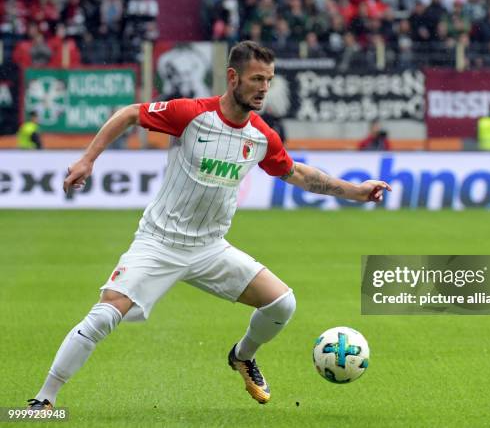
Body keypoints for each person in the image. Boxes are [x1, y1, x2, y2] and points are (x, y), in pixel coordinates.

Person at [27, 41, 391, 409]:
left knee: (282, 304)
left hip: (210, 247)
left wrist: (356, 192)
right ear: (232, 77)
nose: (265, 88)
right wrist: (88, 159)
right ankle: (44, 400)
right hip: (159, 242)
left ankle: (242, 356)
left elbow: (295, 172)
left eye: (269, 79)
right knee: (105, 315)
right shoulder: (191, 113)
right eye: (257, 79)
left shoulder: (261, 136)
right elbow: (131, 114)